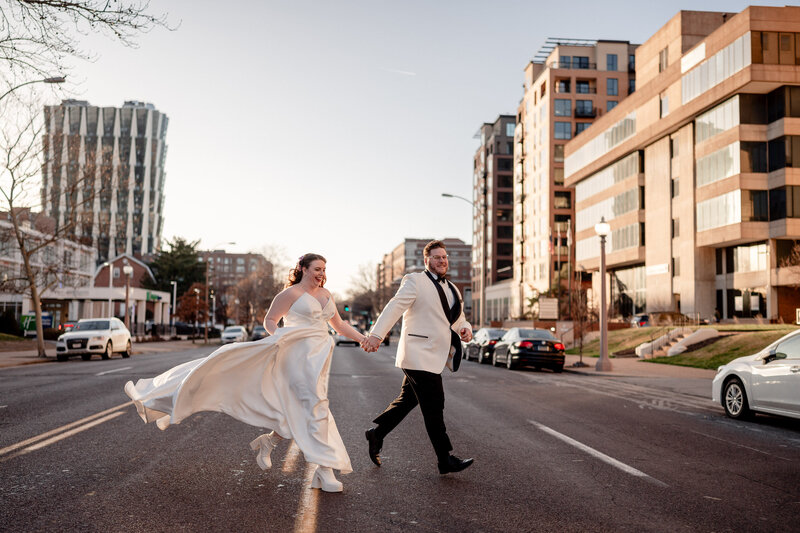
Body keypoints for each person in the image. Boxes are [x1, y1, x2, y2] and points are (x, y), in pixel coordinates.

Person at [124, 253, 364, 493]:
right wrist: (277, 336)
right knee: (315, 405)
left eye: (324, 269)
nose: (321, 273)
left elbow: (339, 326)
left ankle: (269, 443)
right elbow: (271, 320)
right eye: (317, 269)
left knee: (300, 408)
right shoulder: (289, 295)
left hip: (318, 359)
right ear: (302, 268)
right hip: (293, 357)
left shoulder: (326, 295)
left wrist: (365, 339)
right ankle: (325, 469)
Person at [361, 240, 474, 475]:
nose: (442, 261)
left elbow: (458, 318)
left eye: (444, 257)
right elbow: (395, 307)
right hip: (417, 355)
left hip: (435, 356)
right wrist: (376, 335)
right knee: (434, 405)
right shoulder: (414, 281)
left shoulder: (453, 288)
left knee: (407, 401)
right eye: (436, 257)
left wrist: (465, 329)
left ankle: (376, 434)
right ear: (427, 260)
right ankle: (445, 459)